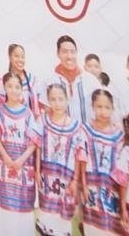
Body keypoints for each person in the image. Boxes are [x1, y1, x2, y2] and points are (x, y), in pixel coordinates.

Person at [0, 73, 39, 236]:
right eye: (10, 86)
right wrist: (7, 158)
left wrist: (21, 160)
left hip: (24, 166)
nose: (14, 90)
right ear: (5, 88)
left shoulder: (28, 113)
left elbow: (35, 141)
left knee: (23, 204)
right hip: (6, 165)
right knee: (7, 204)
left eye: (17, 87)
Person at [36, 82, 83, 236]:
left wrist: (75, 180)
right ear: (48, 100)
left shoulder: (76, 126)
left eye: (61, 99)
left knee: (62, 221)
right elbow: (37, 146)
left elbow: (79, 155)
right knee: (46, 217)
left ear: (67, 100)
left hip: (66, 179)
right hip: (46, 177)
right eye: (53, 99)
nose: (57, 103)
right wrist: (37, 171)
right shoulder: (43, 121)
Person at [77, 88, 124, 236]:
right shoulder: (85, 130)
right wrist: (83, 185)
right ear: (92, 107)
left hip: (112, 189)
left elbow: (123, 167)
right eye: (99, 107)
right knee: (93, 228)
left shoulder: (118, 134)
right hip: (90, 188)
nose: (103, 111)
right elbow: (82, 159)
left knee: (112, 228)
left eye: (107, 107)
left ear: (112, 108)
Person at [51, 35, 105, 125]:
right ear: (58, 54)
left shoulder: (91, 80)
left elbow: (102, 107)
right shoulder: (50, 81)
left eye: (72, 52)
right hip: (61, 136)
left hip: (88, 135)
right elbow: (47, 112)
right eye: (64, 52)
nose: (69, 56)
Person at [0, 44, 43, 116]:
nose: (20, 59)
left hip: (30, 124)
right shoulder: (1, 82)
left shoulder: (33, 80)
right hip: (9, 125)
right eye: (16, 56)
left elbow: (41, 105)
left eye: (22, 57)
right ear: (9, 57)